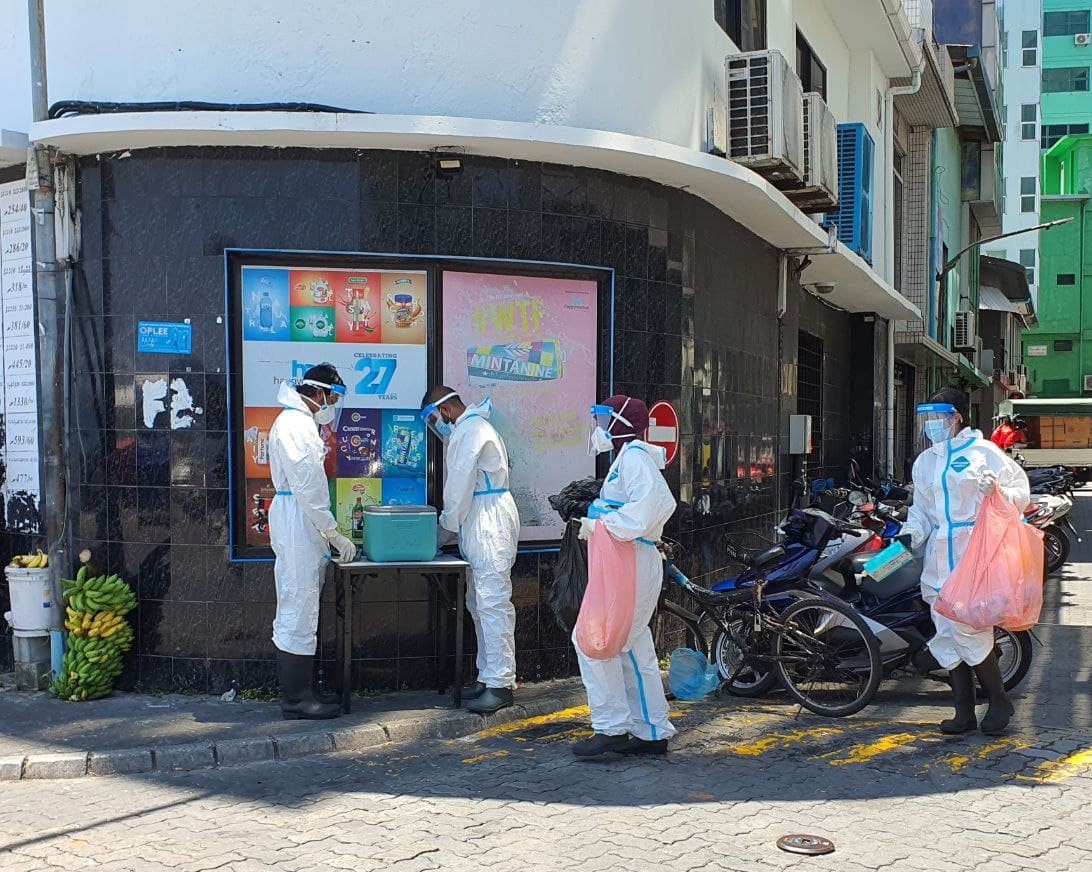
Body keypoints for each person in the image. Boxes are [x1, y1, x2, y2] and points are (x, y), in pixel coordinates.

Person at [902, 388, 1030, 736]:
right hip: (940, 556)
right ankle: (964, 711)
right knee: (946, 630)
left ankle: (999, 699)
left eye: (936, 418)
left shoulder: (984, 453)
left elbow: (1021, 494)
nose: (930, 426)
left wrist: (998, 493)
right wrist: (908, 534)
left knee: (969, 627)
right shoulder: (926, 461)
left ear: (956, 416)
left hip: (975, 551)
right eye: (926, 419)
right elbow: (922, 512)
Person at [571, 395, 677, 757]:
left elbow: (656, 507)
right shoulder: (632, 458)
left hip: (626, 560)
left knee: (593, 638)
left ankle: (611, 726)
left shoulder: (632, 459)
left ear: (619, 422)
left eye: (604, 419)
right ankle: (651, 730)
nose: (599, 427)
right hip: (631, 559)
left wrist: (600, 525)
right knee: (632, 644)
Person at [421, 386, 520, 714]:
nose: (438, 428)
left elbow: (458, 486)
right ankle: (487, 674)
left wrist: (442, 531)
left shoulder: (469, 430)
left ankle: (501, 683)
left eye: (435, 420)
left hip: (488, 519)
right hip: (482, 516)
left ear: (445, 410)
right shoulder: (474, 428)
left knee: (492, 601)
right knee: (479, 602)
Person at [268, 363, 356, 720]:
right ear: (318, 393)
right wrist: (332, 532)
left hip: (300, 518)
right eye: (332, 397)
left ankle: (302, 690)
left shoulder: (298, 422)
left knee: (301, 601)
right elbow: (309, 486)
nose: (332, 404)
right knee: (298, 604)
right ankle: (296, 698)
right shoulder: (296, 425)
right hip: (298, 519)